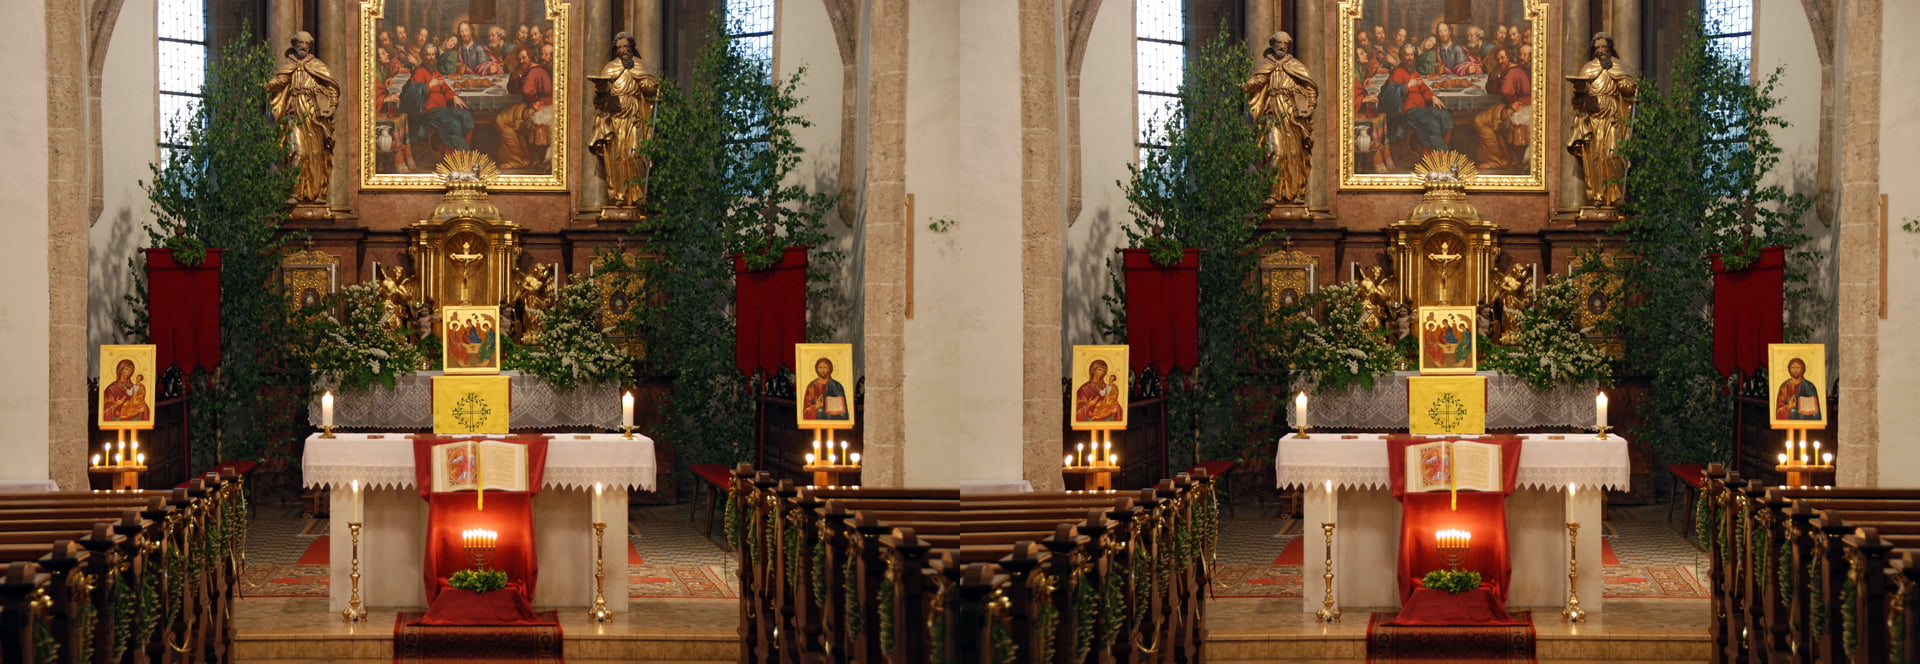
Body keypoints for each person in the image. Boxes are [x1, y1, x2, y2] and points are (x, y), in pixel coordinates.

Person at [266, 31, 339, 206]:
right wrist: (266, 85)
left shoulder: (317, 65)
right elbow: (280, 81)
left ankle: (317, 192)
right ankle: (295, 192)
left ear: (310, 45)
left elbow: (332, 87)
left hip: (314, 114)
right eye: (299, 42)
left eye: (306, 43)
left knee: (316, 153)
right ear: (294, 44)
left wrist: (332, 107)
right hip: (294, 112)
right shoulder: (288, 65)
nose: (303, 46)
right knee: (298, 152)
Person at [1244, 31, 1318, 206]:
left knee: (1294, 153)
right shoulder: (1267, 65)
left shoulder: (1295, 65)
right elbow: (1258, 81)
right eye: (1278, 43)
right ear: (1272, 44)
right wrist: (1245, 85)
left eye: (1284, 44)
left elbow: (1310, 88)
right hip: (1273, 112)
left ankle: (1294, 192)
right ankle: (1273, 193)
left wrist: (1310, 107)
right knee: (1277, 152)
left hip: (1291, 114)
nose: (1281, 46)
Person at [589, 32, 661, 208]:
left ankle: (638, 196)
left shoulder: (639, 66)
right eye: (619, 47)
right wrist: (601, 90)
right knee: (617, 157)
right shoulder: (610, 68)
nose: (623, 50)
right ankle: (618, 195)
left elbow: (648, 87)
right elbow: (599, 101)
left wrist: (650, 86)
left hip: (635, 116)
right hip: (615, 118)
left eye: (625, 47)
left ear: (631, 47)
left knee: (635, 155)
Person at [1567, 32, 1636, 208]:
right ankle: (1597, 195)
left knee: (1613, 155)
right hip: (1593, 118)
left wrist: (1629, 87)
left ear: (1610, 48)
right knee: (1595, 158)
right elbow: (1578, 101)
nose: (1601, 50)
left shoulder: (1618, 67)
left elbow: (1626, 87)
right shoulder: (1588, 69)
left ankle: (1617, 195)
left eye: (1604, 47)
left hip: (1613, 116)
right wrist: (1580, 90)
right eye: (1598, 48)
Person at [1380, 43, 1451, 159]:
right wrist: (1407, 86)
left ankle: (1430, 151)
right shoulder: (1397, 72)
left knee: (1445, 116)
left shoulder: (1413, 71)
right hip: (1409, 110)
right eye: (1407, 55)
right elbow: (1391, 94)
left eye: (1411, 55)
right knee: (1432, 123)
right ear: (1402, 57)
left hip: (1422, 108)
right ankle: (1441, 155)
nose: (1409, 58)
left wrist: (1432, 96)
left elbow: (1423, 88)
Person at [402, 49, 474, 152]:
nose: (431, 58)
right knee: (454, 123)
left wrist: (453, 96)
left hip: (443, 107)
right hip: (430, 110)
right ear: (423, 57)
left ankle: (458, 150)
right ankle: (462, 153)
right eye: (428, 55)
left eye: (433, 55)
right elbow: (413, 93)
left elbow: (445, 87)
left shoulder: (435, 72)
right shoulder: (418, 72)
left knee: (467, 117)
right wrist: (430, 85)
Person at [1474, 45, 1531, 170]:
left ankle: (1499, 160)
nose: (1500, 61)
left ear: (1509, 57)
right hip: (1510, 104)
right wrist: (1495, 75)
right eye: (1498, 59)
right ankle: (1496, 157)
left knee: (1481, 121)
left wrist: (1512, 103)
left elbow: (1506, 92)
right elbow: (1491, 89)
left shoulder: (1514, 72)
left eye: (1503, 58)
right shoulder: (1506, 70)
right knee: (1480, 119)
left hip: (1520, 107)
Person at [495, 47, 553, 169]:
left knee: (502, 121)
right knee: (502, 120)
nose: (522, 61)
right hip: (532, 104)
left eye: (524, 58)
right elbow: (512, 89)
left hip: (542, 106)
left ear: (530, 57)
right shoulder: (527, 70)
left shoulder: (535, 71)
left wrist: (522, 79)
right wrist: (516, 75)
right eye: (520, 58)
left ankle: (517, 160)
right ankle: (521, 157)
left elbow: (528, 92)